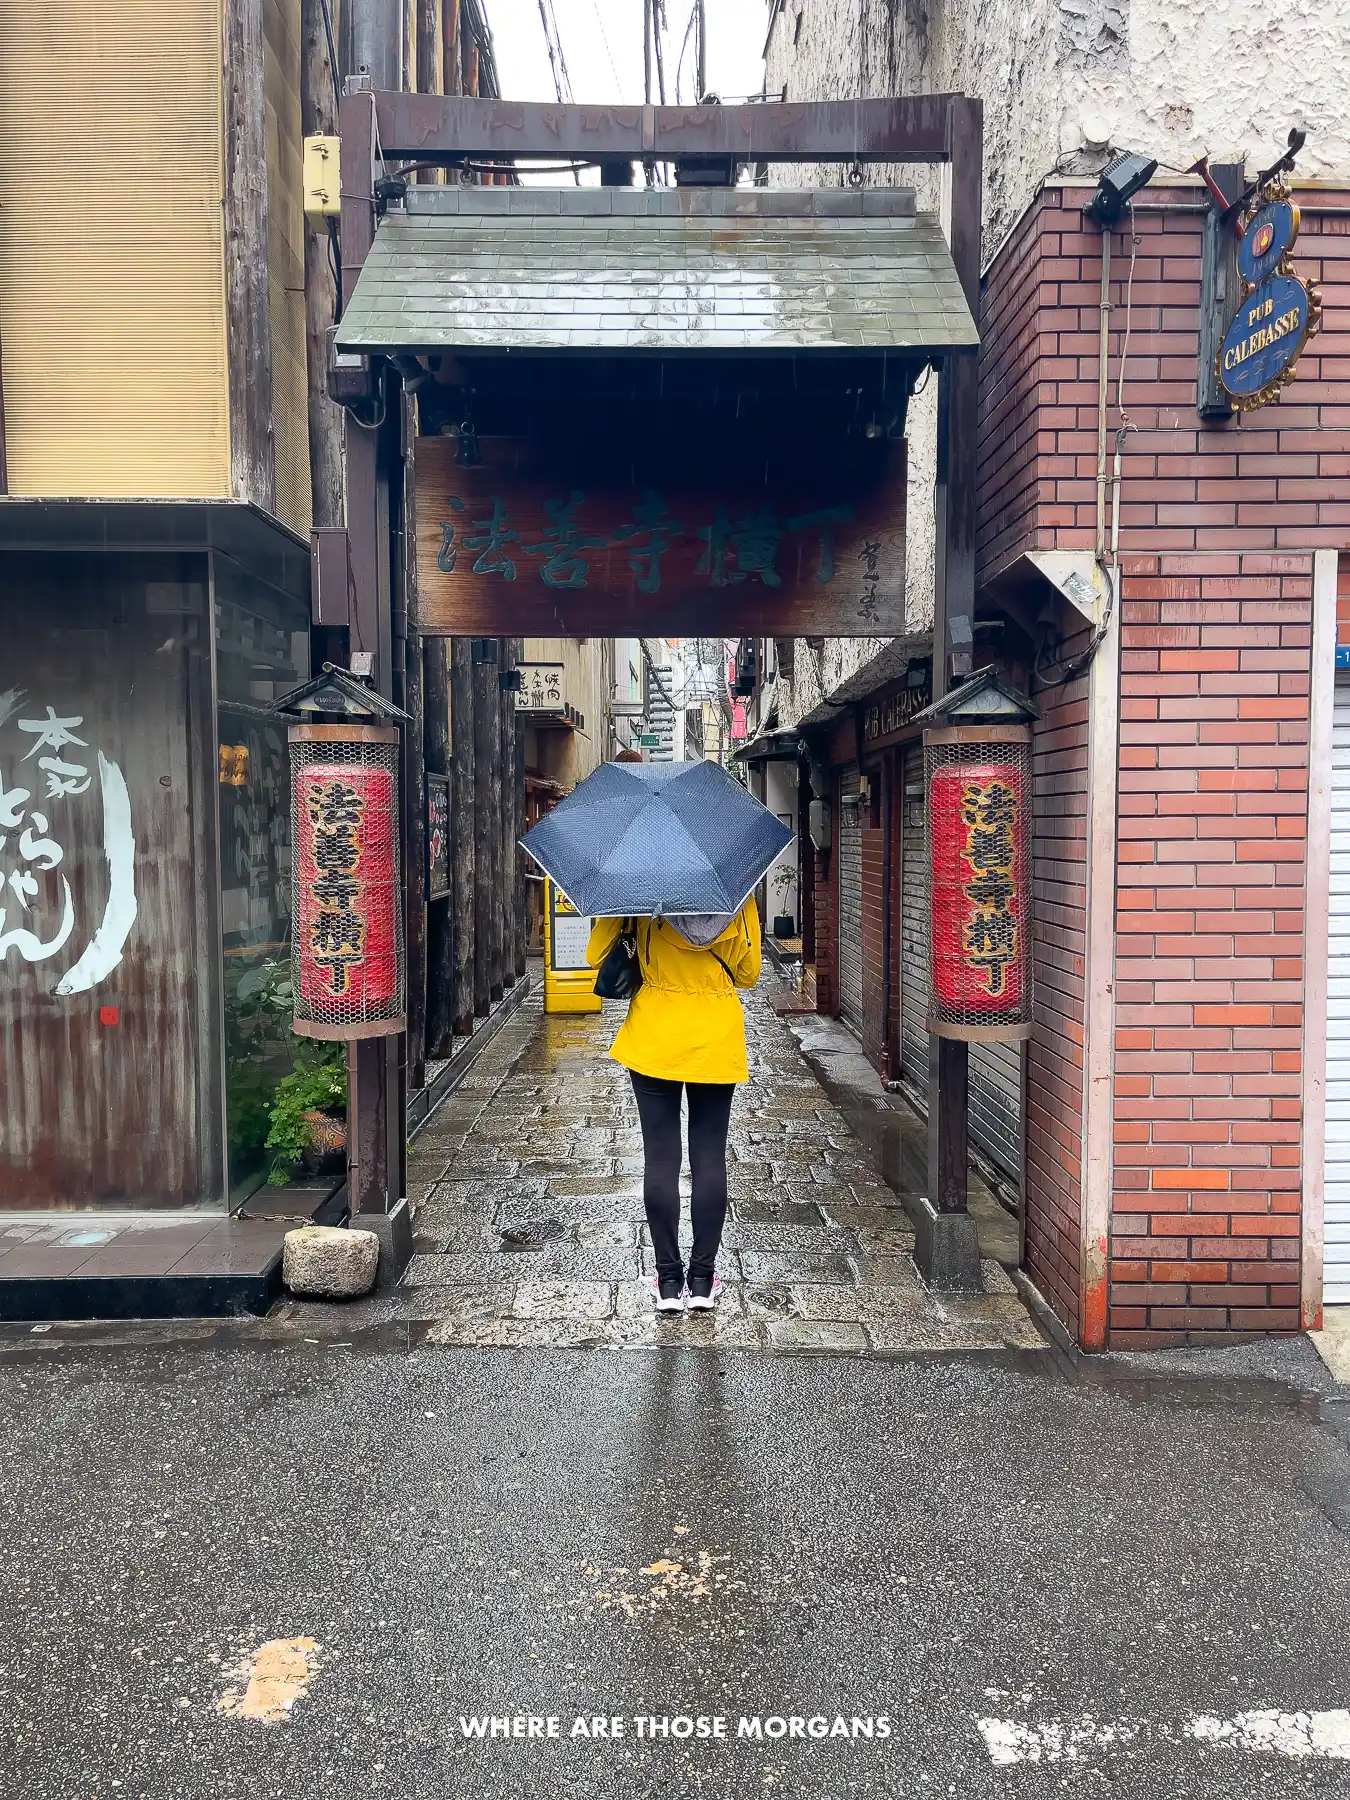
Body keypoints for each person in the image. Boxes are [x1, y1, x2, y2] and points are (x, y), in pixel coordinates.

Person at [587, 902, 762, 1313]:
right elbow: (750, 974)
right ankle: (701, 1280)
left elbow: (596, 954)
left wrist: (627, 917)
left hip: (654, 1036)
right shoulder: (735, 893)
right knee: (710, 1159)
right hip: (714, 1039)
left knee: (660, 1160)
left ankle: (668, 1282)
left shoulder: (640, 894)